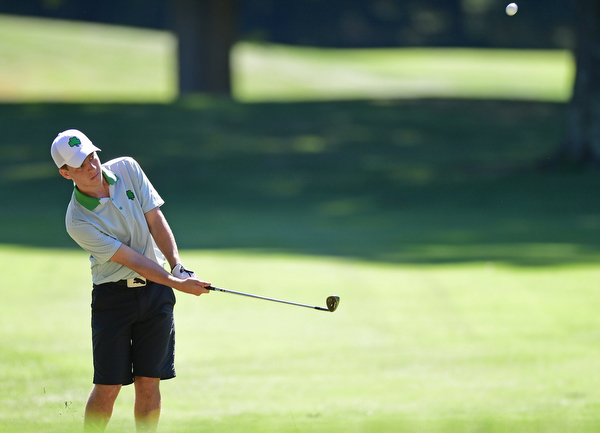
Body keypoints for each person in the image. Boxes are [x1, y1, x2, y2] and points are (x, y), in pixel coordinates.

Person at [51, 129, 211, 432]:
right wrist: (176, 284)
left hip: (156, 293)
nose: (91, 165)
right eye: (79, 163)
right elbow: (131, 259)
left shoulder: (127, 168)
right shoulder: (77, 221)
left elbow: (155, 219)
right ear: (65, 173)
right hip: (114, 299)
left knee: (149, 382)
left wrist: (178, 267)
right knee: (108, 386)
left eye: (91, 155)